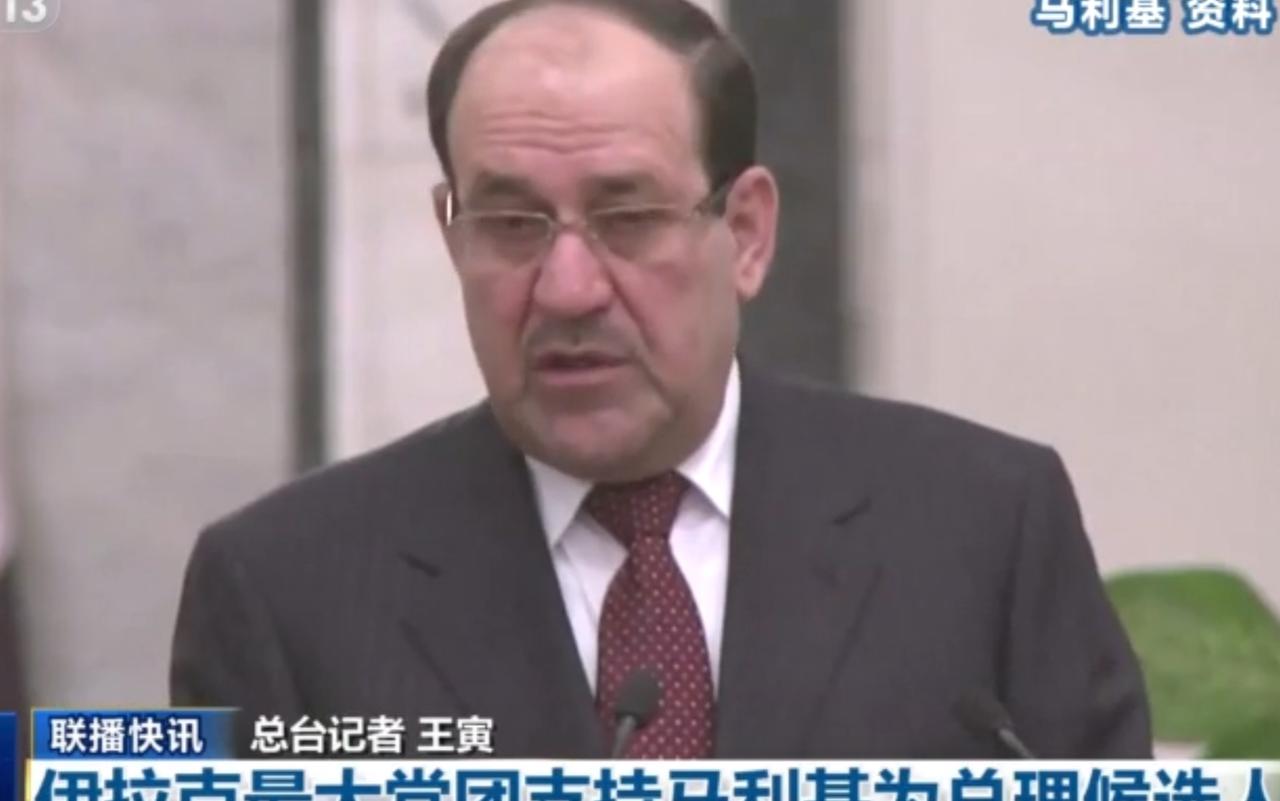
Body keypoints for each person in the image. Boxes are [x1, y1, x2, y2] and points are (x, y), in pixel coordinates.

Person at [171, 0, 1151, 758]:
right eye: (510, 224)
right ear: (451, 232)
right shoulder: (283, 590)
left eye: (628, 217)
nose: (567, 288)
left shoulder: (980, 527)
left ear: (747, 233)